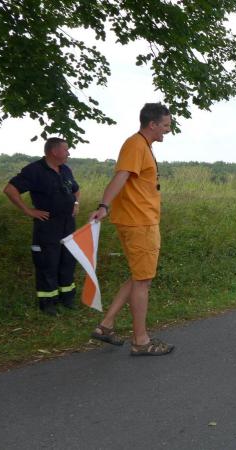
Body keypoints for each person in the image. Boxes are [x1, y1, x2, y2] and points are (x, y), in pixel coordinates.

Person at [87, 103, 174, 356]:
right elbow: (121, 176)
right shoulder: (135, 145)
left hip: (139, 220)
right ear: (152, 124)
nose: (168, 130)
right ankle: (141, 341)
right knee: (143, 281)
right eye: (165, 125)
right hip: (139, 223)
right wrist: (103, 206)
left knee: (139, 275)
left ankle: (106, 325)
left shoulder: (142, 146)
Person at [3, 138, 80, 316]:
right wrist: (28, 211)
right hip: (48, 226)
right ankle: (48, 303)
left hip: (68, 224)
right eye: (66, 150)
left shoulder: (65, 169)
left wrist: (76, 203)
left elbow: (75, 189)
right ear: (54, 151)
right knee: (48, 263)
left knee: (67, 261)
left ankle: (67, 298)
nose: (68, 153)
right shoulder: (34, 170)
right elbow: (10, 190)